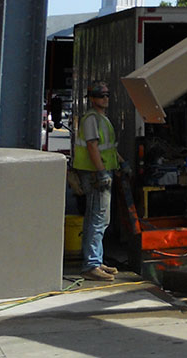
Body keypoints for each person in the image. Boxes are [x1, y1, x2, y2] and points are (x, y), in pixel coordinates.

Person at [71, 81, 120, 281]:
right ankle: (91, 264)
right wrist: (101, 172)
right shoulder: (92, 119)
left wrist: (121, 162)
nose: (105, 98)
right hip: (94, 175)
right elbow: (92, 147)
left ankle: (96, 261)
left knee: (101, 219)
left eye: (107, 95)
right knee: (97, 219)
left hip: (100, 172)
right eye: (101, 95)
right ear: (92, 98)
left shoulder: (102, 119)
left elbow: (107, 147)